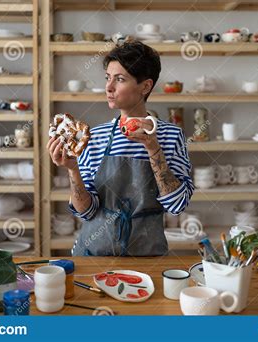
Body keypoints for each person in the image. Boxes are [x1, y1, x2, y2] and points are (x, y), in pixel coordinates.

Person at [47, 41, 194, 256]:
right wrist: (72, 169)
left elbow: (177, 205)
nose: (109, 87)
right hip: (95, 256)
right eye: (108, 77)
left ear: (145, 86)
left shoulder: (171, 136)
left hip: (147, 257)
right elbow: (85, 212)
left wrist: (154, 150)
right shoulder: (94, 136)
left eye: (120, 79)